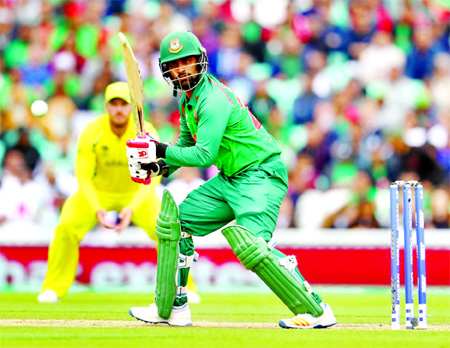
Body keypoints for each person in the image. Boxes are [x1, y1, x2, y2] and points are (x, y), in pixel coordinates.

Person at [126, 31, 337, 329]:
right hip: (229, 179)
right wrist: (159, 166)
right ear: (166, 70)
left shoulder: (212, 100)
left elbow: (202, 156)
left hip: (260, 175)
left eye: (187, 61)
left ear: (200, 60)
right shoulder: (189, 101)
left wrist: (158, 148)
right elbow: (186, 146)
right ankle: (173, 308)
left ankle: (317, 311)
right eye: (175, 64)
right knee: (175, 224)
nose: (182, 69)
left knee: (252, 245)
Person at [37, 82, 199, 303]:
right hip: (97, 193)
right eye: (114, 104)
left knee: (169, 231)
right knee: (66, 226)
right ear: (106, 106)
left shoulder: (146, 132)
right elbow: (82, 175)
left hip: (138, 195)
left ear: (132, 107)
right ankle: (53, 287)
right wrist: (97, 208)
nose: (119, 109)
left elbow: (155, 176)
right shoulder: (91, 131)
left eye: (124, 103)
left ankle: (185, 288)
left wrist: (132, 207)